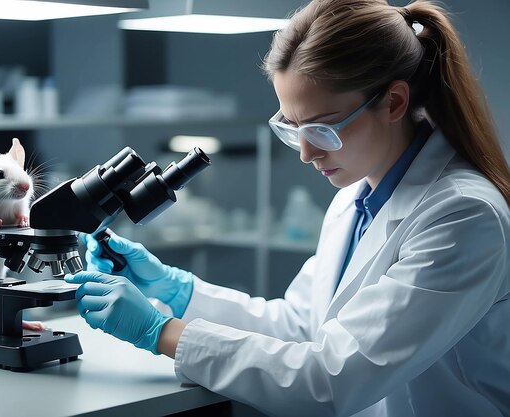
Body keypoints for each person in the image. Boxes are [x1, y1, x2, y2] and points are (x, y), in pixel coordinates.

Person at [64, 0, 510, 415]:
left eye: (323, 130)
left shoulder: (463, 217)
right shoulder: (353, 202)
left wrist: (160, 332)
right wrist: (178, 290)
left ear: (393, 102)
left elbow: (331, 378)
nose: (305, 153)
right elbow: (301, 327)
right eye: (292, 127)